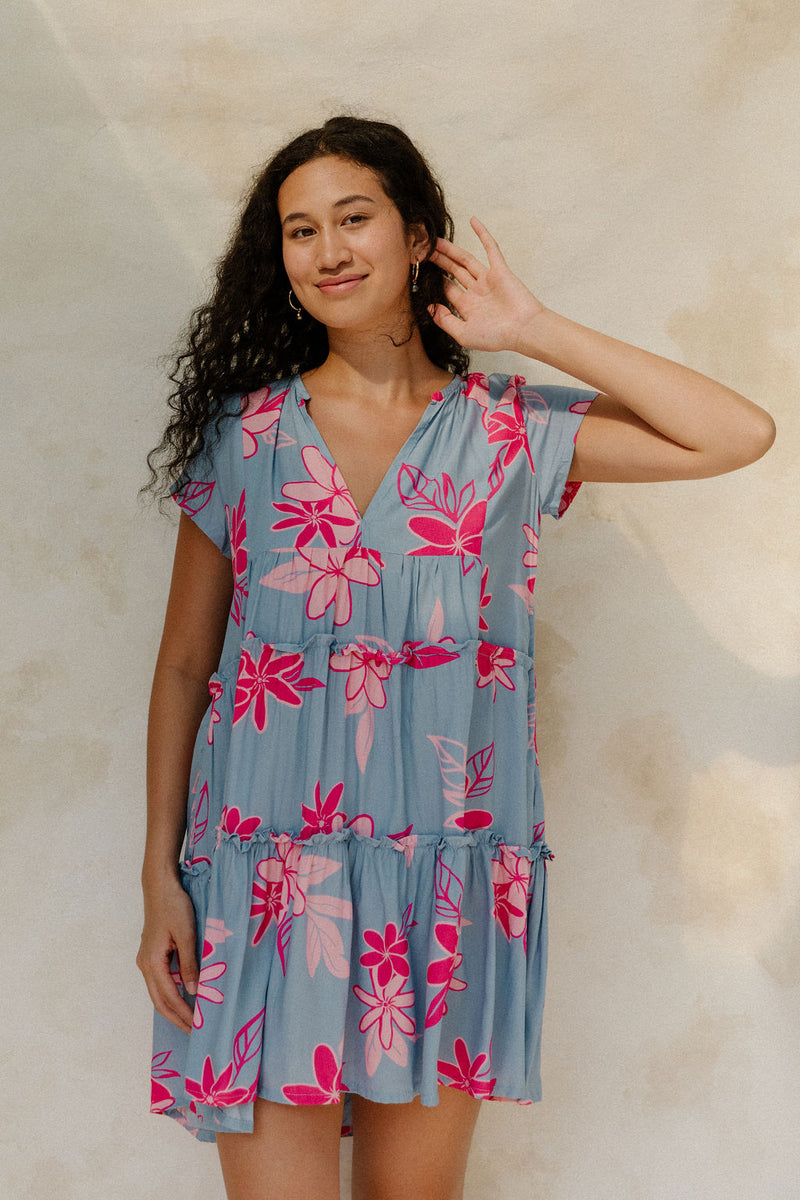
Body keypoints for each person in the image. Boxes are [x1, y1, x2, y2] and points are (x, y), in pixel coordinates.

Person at [137, 115, 775, 1200]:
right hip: (262, 880)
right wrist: (158, 872)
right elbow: (185, 665)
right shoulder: (243, 437)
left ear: (416, 234)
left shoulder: (507, 431)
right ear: (277, 261)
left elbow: (732, 433)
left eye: (353, 218)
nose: (327, 250)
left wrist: (532, 327)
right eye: (298, 231)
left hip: (445, 886)